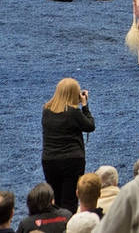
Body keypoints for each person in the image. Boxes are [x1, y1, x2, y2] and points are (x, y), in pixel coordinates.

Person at [40, 78, 95, 213]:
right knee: (69, 201)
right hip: (72, 160)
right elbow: (90, 126)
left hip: (49, 160)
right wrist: (85, 106)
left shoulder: (46, 110)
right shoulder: (73, 112)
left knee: (55, 199)